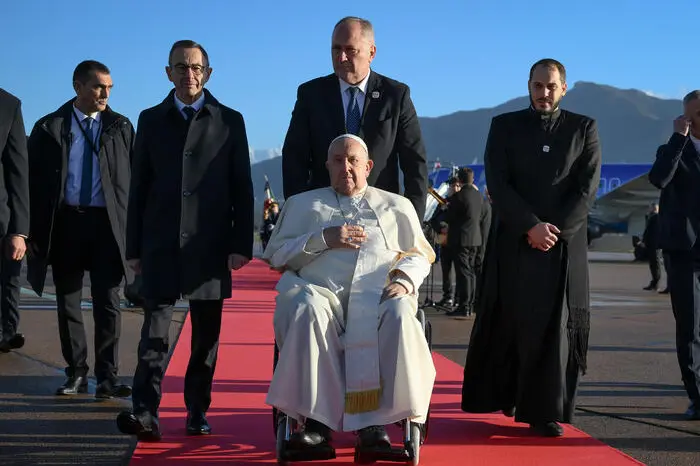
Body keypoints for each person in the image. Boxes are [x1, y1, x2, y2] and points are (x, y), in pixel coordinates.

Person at [116, 40, 254, 441]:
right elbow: (137, 187)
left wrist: (241, 243)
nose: (188, 74)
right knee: (153, 335)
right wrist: (134, 248)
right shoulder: (151, 119)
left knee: (205, 338)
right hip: (160, 244)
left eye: (196, 68)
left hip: (210, 245)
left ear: (207, 74)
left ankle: (197, 410)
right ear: (168, 72)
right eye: (180, 67)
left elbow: (241, 187)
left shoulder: (230, 121)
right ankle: (145, 412)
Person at [263, 134, 435, 452]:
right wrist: (323, 238)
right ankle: (316, 424)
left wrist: (405, 279)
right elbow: (277, 256)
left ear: (368, 166)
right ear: (327, 166)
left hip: (379, 298)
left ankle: (375, 425)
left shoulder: (398, 206)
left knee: (400, 314)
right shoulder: (302, 204)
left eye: (353, 160)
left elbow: (419, 254)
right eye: (339, 160)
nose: (346, 167)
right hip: (321, 295)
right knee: (306, 308)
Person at [460, 58, 602, 437]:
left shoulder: (583, 128)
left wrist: (552, 231)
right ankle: (506, 394)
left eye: (551, 87)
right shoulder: (503, 126)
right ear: (528, 85)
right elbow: (499, 185)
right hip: (514, 241)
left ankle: (544, 412)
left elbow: (586, 189)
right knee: (509, 322)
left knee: (554, 329)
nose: (543, 93)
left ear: (563, 88)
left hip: (562, 246)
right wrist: (530, 226)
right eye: (537, 86)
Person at [26, 61, 133, 398]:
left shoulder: (120, 126)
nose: (105, 94)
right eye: (98, 86)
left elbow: (136, 180)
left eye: (110, 88)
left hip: (107, 226)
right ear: (78, 87)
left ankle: (107, 377)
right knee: (68, 301)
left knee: (108, 302)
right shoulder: (48, 127)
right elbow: (31, 182)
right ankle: (75, 372)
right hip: (66, 223)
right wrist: (29, 230)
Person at [281, 16, 428, 220]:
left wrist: (412, 224)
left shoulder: (395, 96)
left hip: (381, 219)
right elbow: (294, 160)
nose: (341, 57)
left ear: (371, 52)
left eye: (350, 50)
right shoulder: (311, 95)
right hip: (324, 220)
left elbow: (415, 165)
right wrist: (299, 217)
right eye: (336, 49)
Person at [648, 90, 700, 420]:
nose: (696, 121)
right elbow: (659, 178)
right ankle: (697, 394)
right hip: (684, 251)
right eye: (691, 116)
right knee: (690, 326)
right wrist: (677, 139)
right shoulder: (673, 150)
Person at [0, 89, 29, 353]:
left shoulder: (8, 105)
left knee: (9, 275)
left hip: (1, 218)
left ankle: (6, 331)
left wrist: (19, 230)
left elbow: (17, 170)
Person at [445, 168, 483, 317]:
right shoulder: (479, 197)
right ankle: (472, 304)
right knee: (471, 273)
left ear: (459, 181)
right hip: (475, 238)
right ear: (472, 180)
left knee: (463, 274)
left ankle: (464, 305)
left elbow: (449, 217)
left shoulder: (458, 197)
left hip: (461, 239)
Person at [640, 202, 661, 291]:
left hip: (655, 244)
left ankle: (655, 283)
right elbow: (647, 230)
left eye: (651, 207)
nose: (650, 209)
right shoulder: (651, 217)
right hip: (651, 244)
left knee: (655, 264)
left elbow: (650, 231)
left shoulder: (656, 217)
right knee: (653, 264)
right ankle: (654, 282)